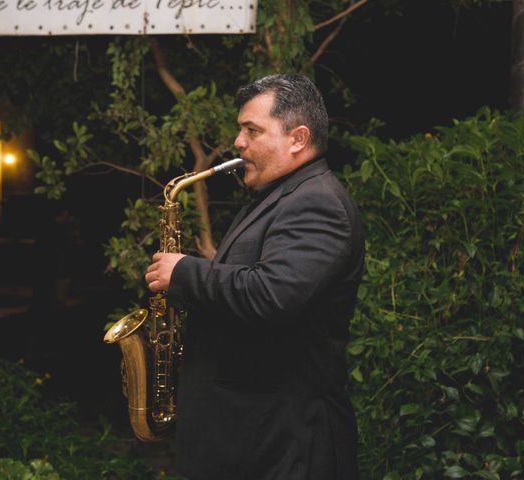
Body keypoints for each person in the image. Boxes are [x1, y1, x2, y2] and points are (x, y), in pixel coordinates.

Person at [145, 74, 364, 480]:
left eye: (252, 130)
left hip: (283, 448)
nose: (238, 142)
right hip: (250, 442)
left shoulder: (317, 202)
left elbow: (271, 295)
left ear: (297, 138)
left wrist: (185, 272)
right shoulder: (279, 197)